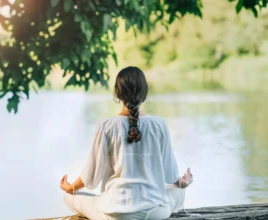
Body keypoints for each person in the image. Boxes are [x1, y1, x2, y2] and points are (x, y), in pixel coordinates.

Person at [60, 66, 193, 220]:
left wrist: (71, 187)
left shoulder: (106, 126)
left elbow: (92, 175)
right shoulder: (159, 124)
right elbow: (170, 175)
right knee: (178, 191)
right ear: (145, 92)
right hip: (153, 214)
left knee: (69, 197)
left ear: (117, 93)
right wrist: (183, 182)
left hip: (114, 214)